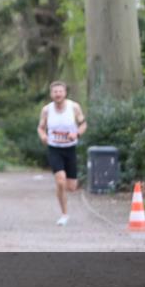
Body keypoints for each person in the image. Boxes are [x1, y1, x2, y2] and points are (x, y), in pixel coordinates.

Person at [37, 80, 87, 226]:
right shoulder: (47, 110)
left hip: (70, 148)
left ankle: (61, 192)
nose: (58, 94)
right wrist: (43, 136)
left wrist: (76, 133)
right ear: (51, 94)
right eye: (55, 92)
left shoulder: (74, 107)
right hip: (54, 148)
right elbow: (40, 127)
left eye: (60, 91)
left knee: (71, 187)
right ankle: (64, 214)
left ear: (65, 93)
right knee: (60, 181)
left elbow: (83, 124)